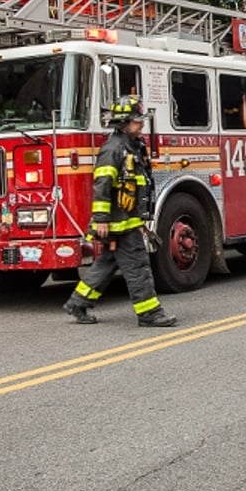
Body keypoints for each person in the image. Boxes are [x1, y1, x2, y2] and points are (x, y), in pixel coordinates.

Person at [62, 95, 177, 327]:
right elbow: (102, 185)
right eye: (137, 120)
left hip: (126, 220)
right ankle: (149, 313)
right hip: (118, 222)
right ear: (124, 123)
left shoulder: (130, 146)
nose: (141, 124)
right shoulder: (114, 149)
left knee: (107, 263)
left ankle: (78, 302)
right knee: (137, 266)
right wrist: (102, 219)